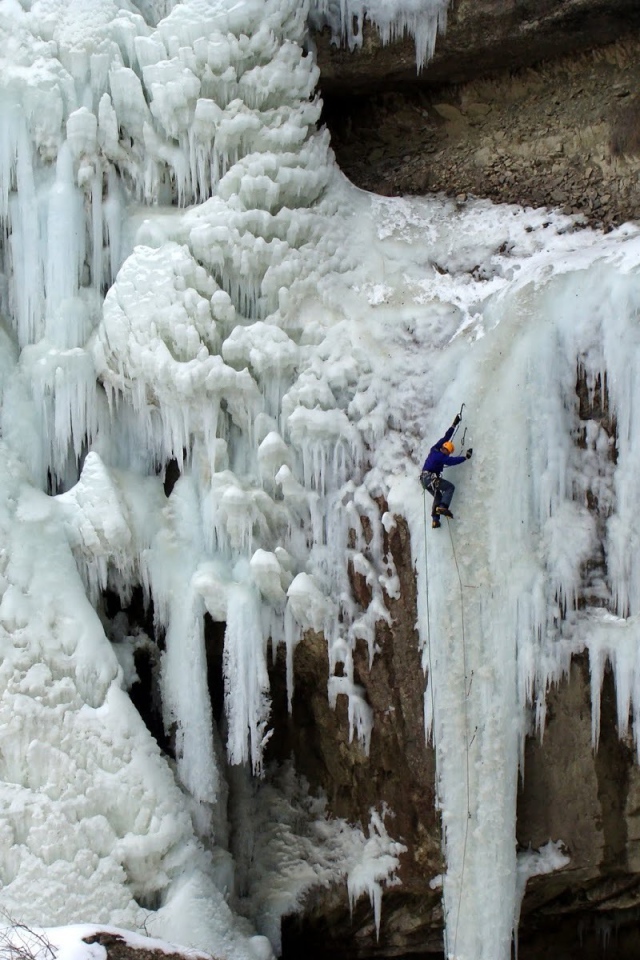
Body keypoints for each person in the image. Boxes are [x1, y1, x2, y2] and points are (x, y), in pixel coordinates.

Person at [420, 414, 472, 528]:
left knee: (438, 495)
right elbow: (452, 461)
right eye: (448, 452)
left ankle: (435, 520)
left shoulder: (434, 449)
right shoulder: (442, 457)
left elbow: (446, 437)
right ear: (447, 451)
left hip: (424, 480)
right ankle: (443, 506)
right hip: (430, 478)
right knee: (449, 488)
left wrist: (454, 425)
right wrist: (465, 457)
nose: (447, 453)